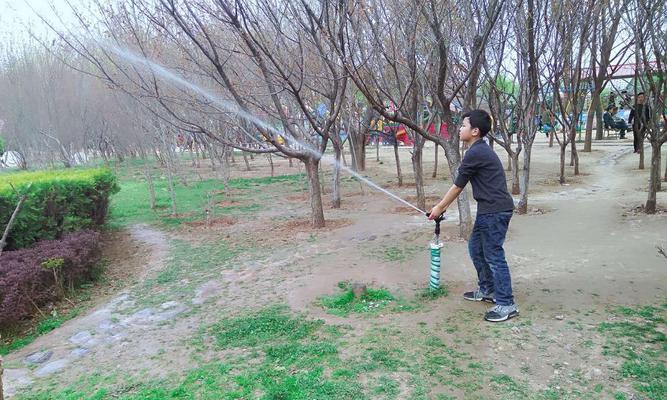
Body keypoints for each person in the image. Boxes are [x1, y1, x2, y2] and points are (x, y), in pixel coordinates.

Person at [428, 109, 518, 322]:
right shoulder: (477, 150)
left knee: (494, 255)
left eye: (464, 125)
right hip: (490, 210)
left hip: (495, 211)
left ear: (475, 131)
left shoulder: (476, 152)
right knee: (476, 248)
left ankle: (506, 303)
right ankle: (487, 289)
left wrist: (439, 208)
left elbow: (458, 186)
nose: (460, 128)